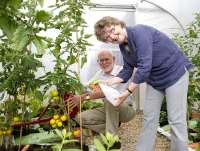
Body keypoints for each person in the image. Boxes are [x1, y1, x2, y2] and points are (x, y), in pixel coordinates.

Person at [94, 16, 193, 151]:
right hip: (155, 79)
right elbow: (128, 69)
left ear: (118, 24)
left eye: (112, 30)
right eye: (107, 38)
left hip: (174, 74)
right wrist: (109, 82)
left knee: (176, 120)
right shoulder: (123, 46)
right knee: (149, 117)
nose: (112, 37)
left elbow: (144, 66)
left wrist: (127, 92)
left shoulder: (140, 32)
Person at [69, 49, 135, 136]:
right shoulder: (99, 74)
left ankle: (111, 141)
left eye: (106, 59)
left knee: (111, 99)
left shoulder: (122, 72)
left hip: (126, 110)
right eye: (101, 60)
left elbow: (107, 94)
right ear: (98, 62)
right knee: (79, 118)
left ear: (114, 59)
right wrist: (73, 90)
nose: (104, 62)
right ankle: (108, 129)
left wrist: (83, 98)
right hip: (109, 110)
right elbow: (87, 88)